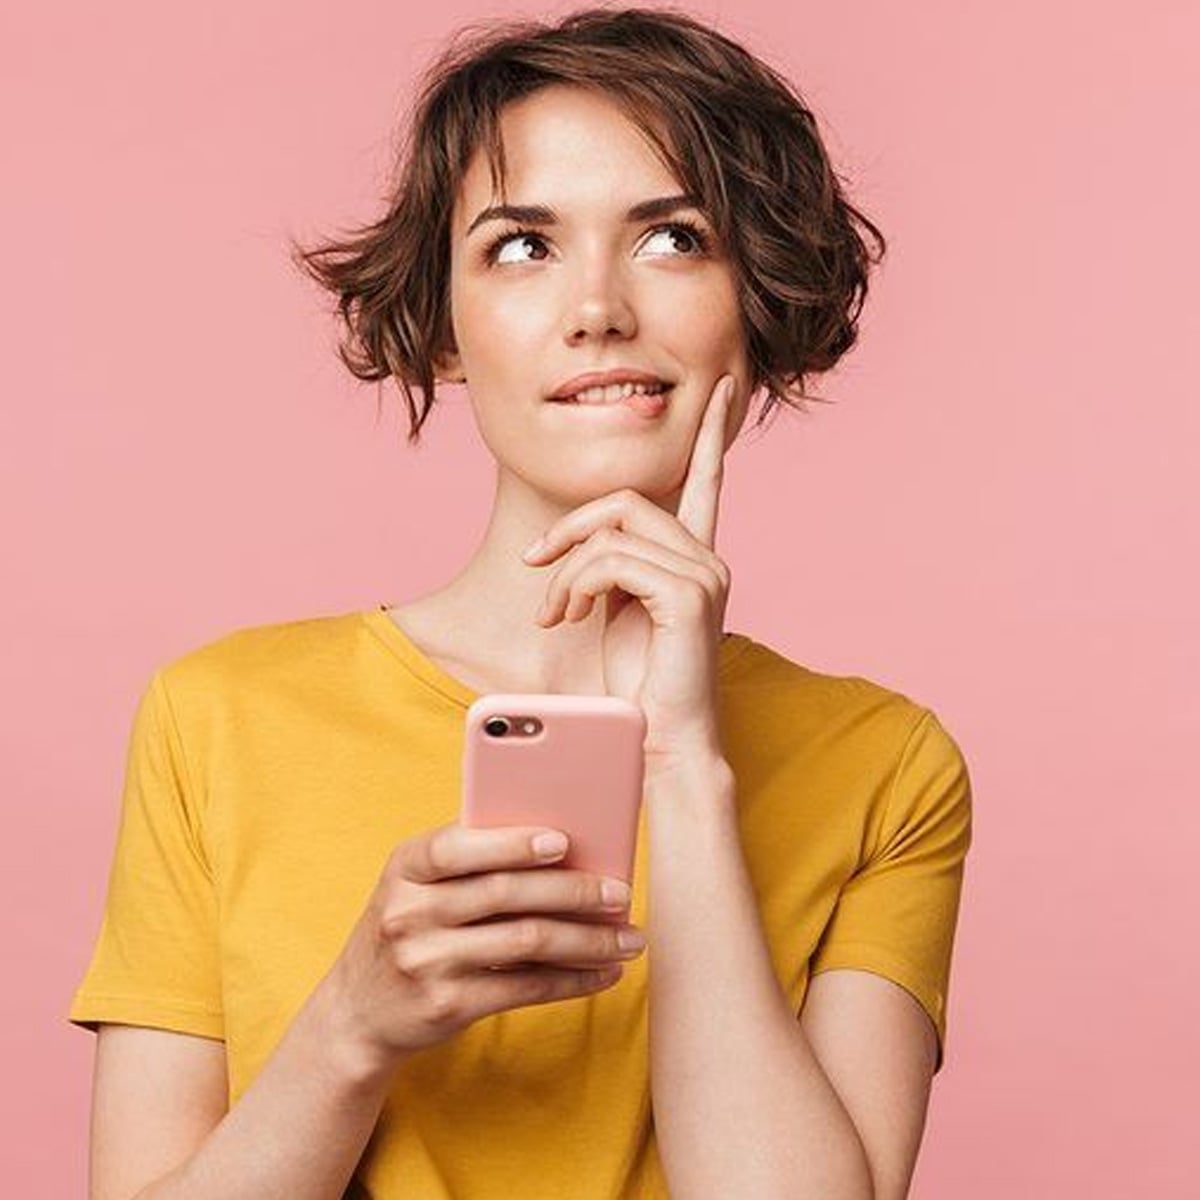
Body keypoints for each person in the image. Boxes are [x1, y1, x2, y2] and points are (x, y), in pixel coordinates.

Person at [68, 8, 973, 1200]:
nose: (596, 305)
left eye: (672, 239)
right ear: (442, 328)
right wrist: (353, 1025)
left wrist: (684, 766)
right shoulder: (218, 717)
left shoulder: (887, 767)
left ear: (757, 304)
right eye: (520, 247)